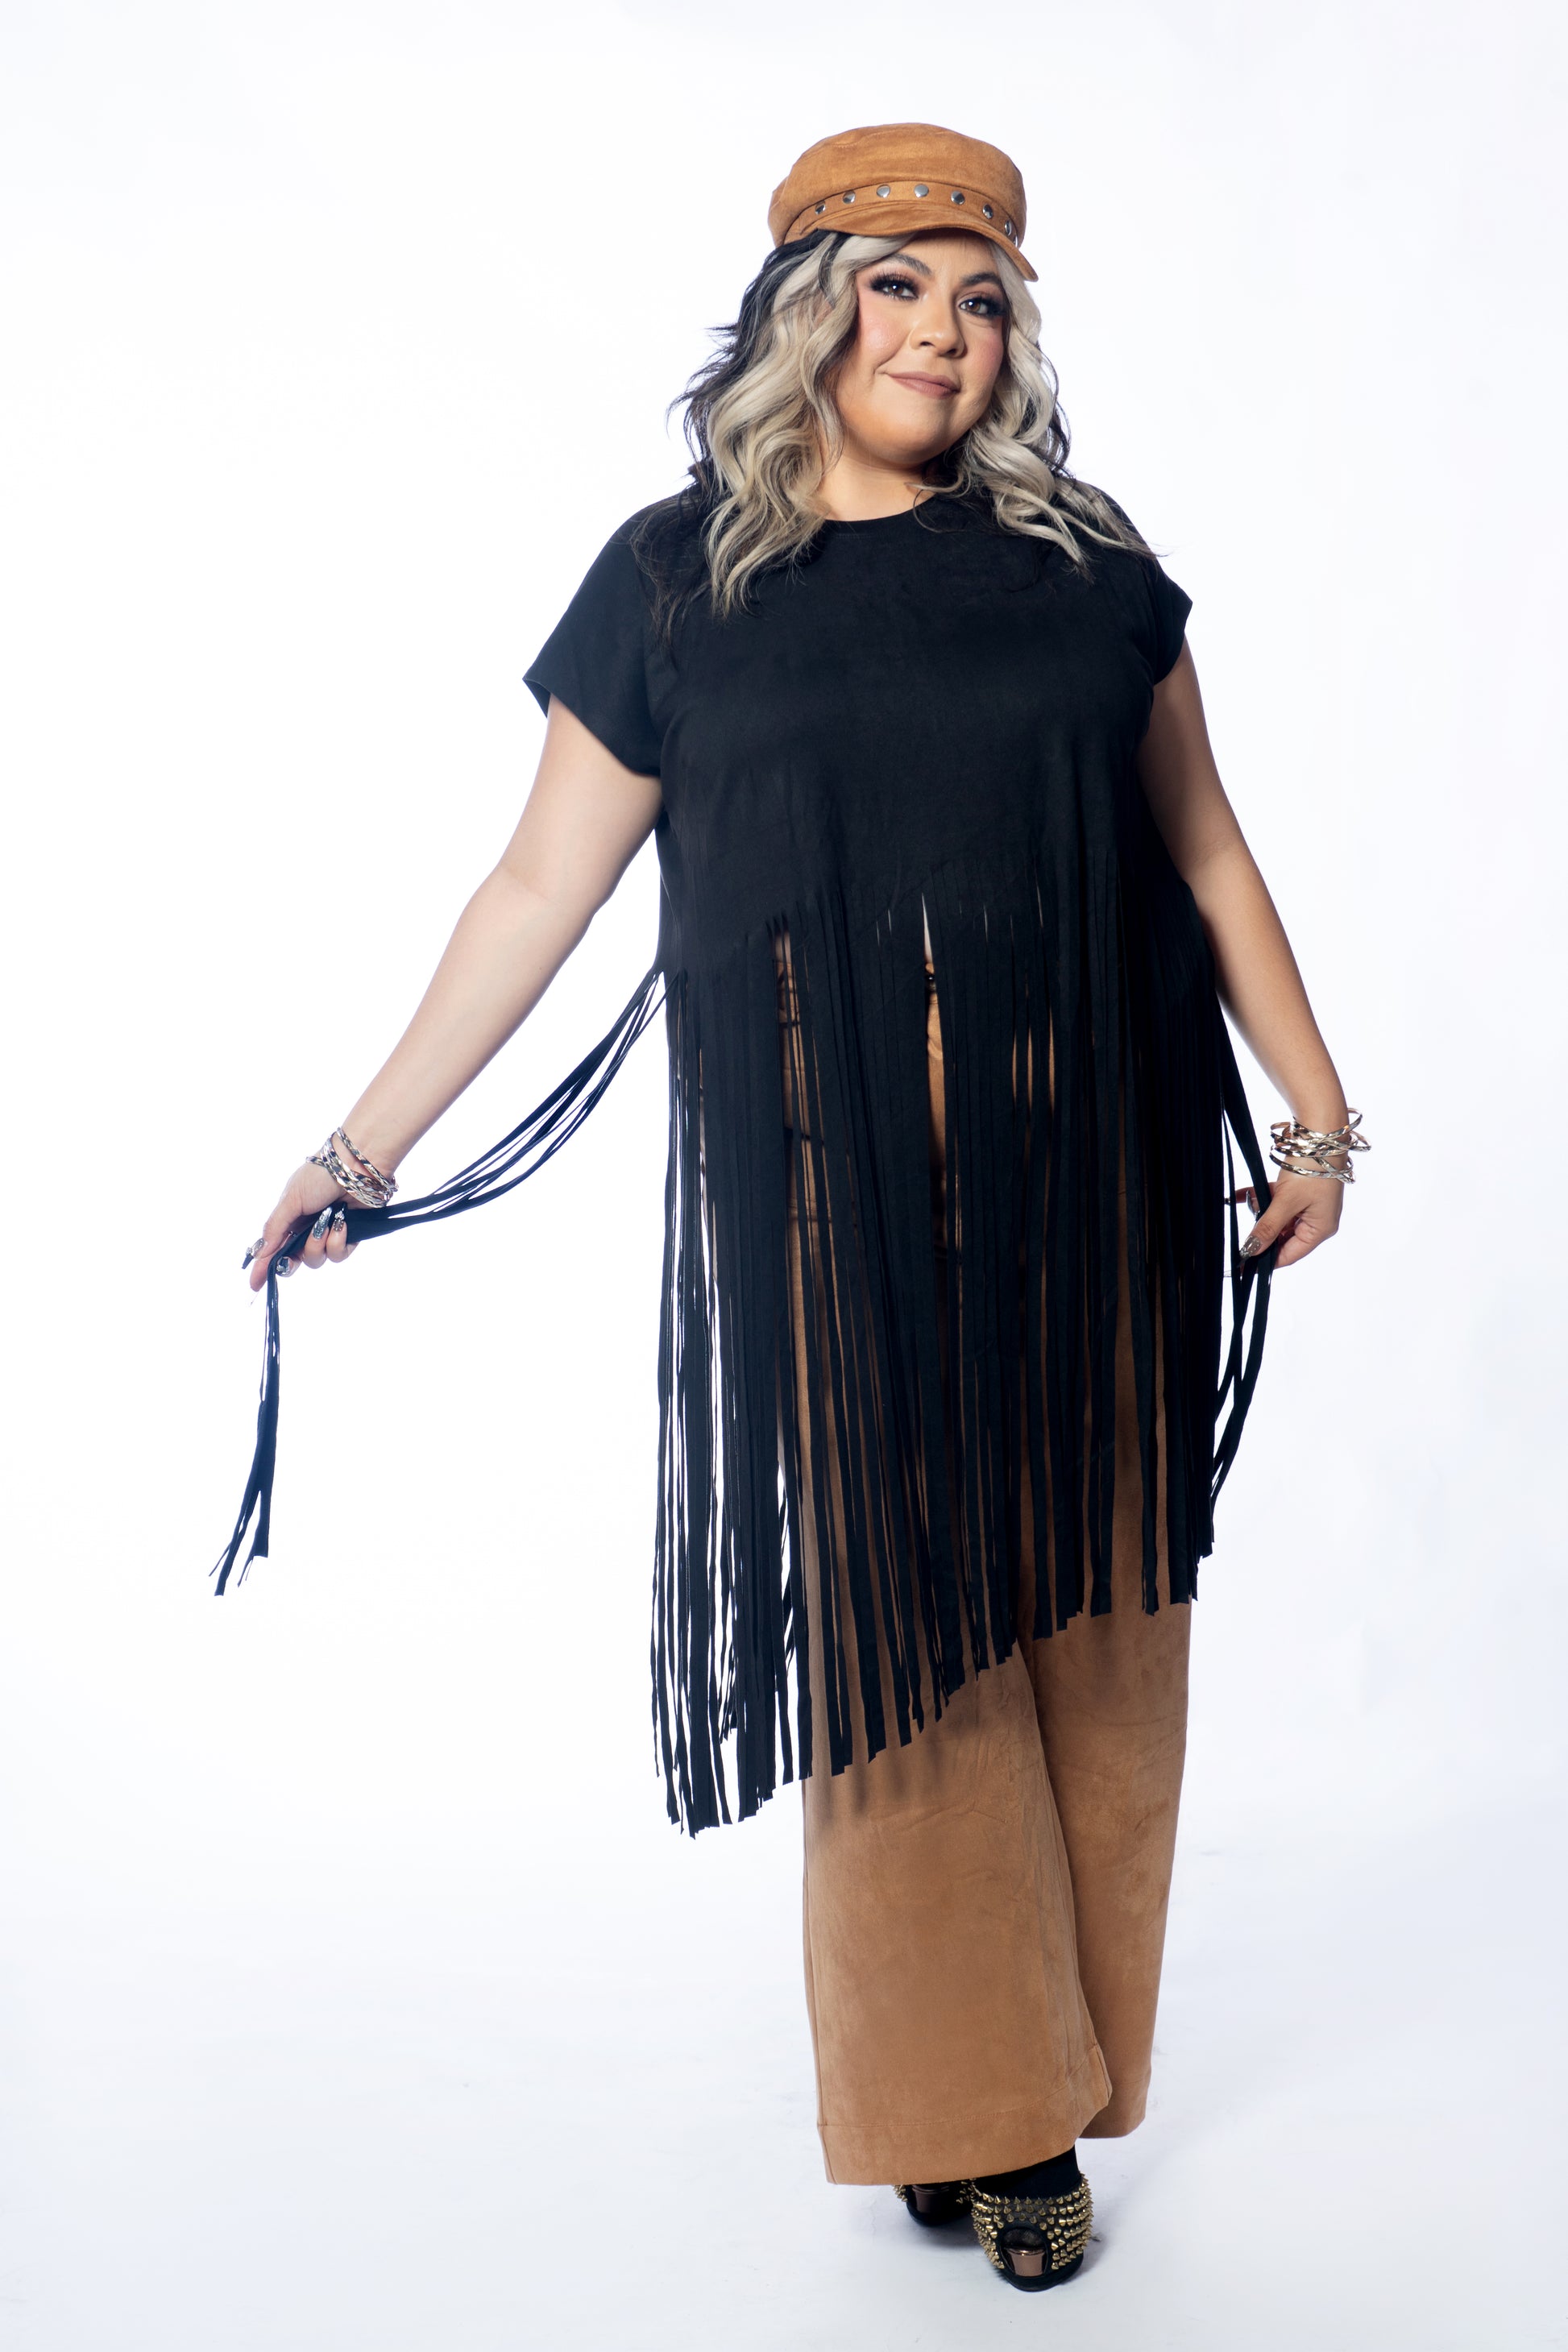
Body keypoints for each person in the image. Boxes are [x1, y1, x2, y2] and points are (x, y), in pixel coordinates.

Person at [241, 122, 1365, 2292]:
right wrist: (362, 1148)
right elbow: (537, 888)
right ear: (805, 311)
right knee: (905, 1651)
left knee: (1099, 1639)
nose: (941, 333)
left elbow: (1208, 847)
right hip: (838, 1191)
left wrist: (1312, 1125)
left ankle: (1026, 2081)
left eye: (981, 299)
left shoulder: (1084, 564)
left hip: (1102, 1168)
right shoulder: (678, 580)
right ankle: (987, 2116)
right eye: (896, 286)